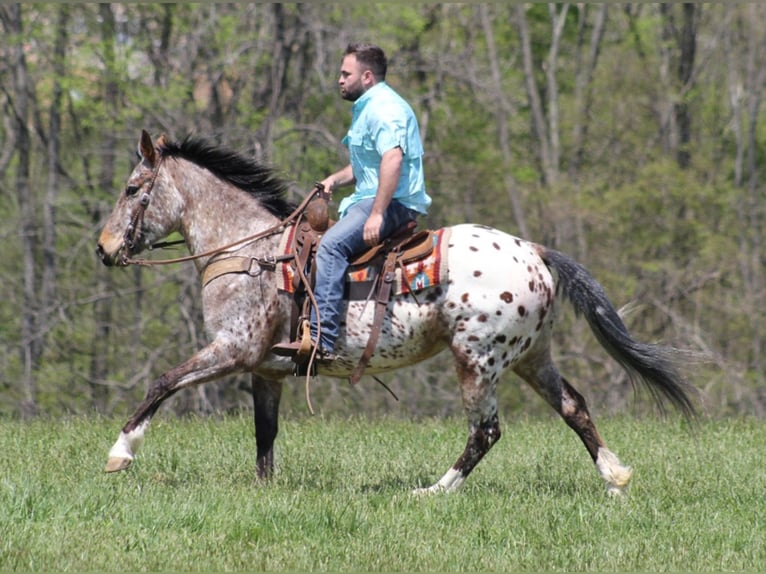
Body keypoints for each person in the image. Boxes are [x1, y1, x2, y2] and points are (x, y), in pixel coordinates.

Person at [273, 42, 431, 361]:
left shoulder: (385, 108)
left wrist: (377, 214)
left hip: (393, 203)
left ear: (368, 76)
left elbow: (392, 160)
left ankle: (322, 340)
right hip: (372, 198)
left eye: (346, 74)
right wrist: (335, 179)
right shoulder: (367, 107)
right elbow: (367, 165)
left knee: (331, 246)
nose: (339, 79)